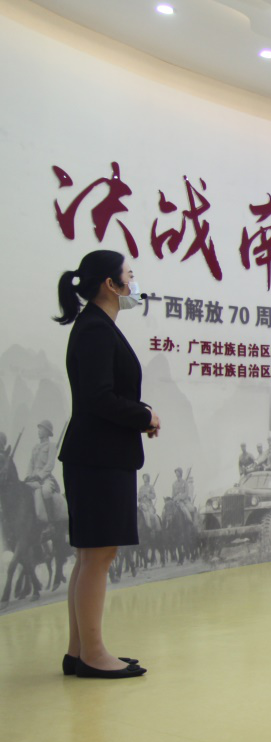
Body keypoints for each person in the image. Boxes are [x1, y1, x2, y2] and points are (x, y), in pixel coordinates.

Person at [55, 249, 157, 679]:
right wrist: (144, 415)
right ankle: (93, 655)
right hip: (98, 457)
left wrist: (138, 416)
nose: (135, 283)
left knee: (92, 556)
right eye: (129, 275)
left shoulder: (96, 326)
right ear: (110, 285)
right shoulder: (96, 329)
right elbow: (99, 397)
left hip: (98, 454)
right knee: (97, 555)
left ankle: (79, 651)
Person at [26, 419, 59, 523]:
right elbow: (31, 464)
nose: (39, 431)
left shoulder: (51, 446)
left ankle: (51, 523)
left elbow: (50, 465)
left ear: (47, 432)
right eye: (39, 429)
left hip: (45, 479)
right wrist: (28, 476)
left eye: (42, 429)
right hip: (33, 478)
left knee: (46, 491)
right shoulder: (35, 447)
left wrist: (39, 476)